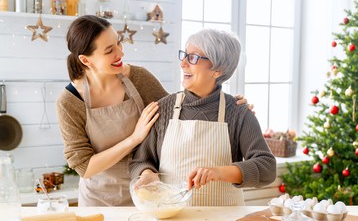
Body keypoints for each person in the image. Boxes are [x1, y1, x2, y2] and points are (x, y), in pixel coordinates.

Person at [56, 16, 250, 206]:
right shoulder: (70, 102)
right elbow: (85, 167)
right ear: (85, 60)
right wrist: (134, 138)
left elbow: (179, 111)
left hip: (149, 194)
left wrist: (231, 106)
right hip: (98, 200)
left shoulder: (138, 78)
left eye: (119, 43)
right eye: (109, 51)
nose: (120, 53)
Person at [129, 28, 276, 206]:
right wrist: (147, 174)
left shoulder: (238, 112)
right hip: (172, 220)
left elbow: (267, 168)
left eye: (193, 57)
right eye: (184, 55)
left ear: (218, 70)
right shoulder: (164, 108)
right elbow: (141, 160)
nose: (183, 63)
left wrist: (219, 173)